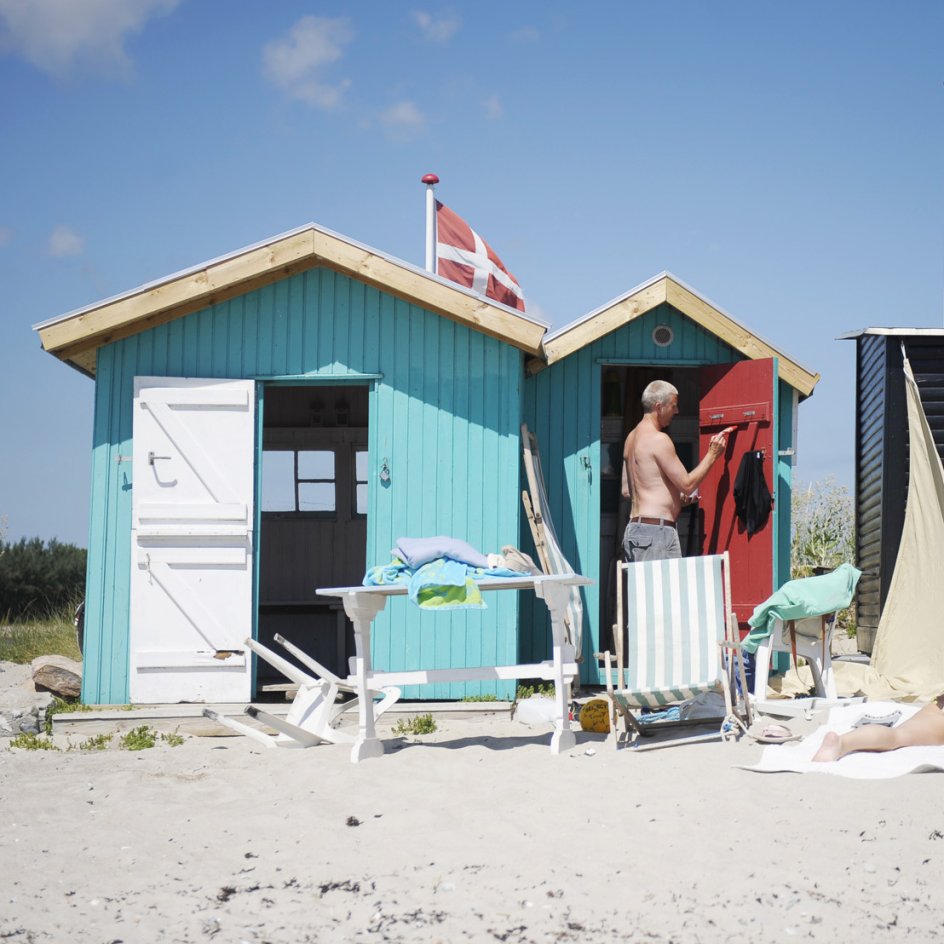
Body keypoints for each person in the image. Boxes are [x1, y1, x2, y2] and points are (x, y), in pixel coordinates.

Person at [622, 380, 734, 562]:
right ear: (659, 407)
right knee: (662, 590)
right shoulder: (659, 440)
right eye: (673, 406)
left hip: (636, 529)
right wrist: (713, 454)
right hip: (655, 533)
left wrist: (674, 499)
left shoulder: (631, 439)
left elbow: (627, 491)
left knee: (644, 590)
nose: (677, 411)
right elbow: (688, 484)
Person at [812, 693, 944, 762]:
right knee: (898, 736)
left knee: (899, 734)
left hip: (937, 704)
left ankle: (843, 742)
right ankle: (841, 744)